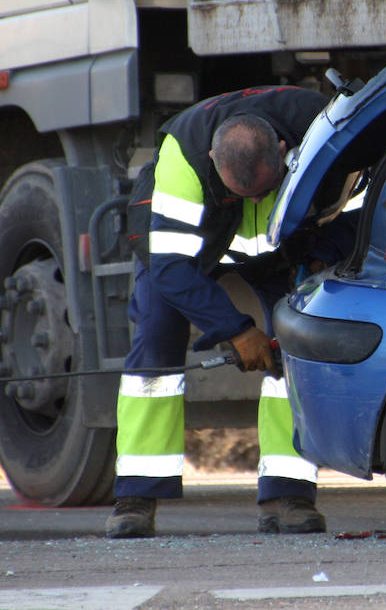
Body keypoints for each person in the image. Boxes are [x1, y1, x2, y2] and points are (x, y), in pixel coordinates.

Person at [106, 85, 347, 539]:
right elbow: (173, 270)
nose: (255, 201)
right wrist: (235, 330)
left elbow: (352, 213)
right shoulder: (185, 156)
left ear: (283, 150)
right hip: (191, 248)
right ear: (215, 163)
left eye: (264, 191)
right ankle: (135, 497)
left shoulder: (324, 129)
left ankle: (288, 493)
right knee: (155, 346)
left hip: (280, 249)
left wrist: (320, 257)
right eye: (242, 194)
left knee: (294, 342)